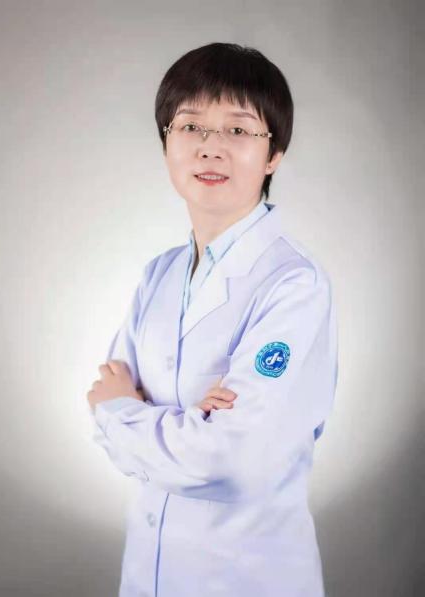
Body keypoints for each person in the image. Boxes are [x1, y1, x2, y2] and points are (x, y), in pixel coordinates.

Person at [87, 42, 338, 597]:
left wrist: (128, 411)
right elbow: (104, 397)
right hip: (148, 574)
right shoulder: (159, 274)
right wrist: (184, 421)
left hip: (248, 577)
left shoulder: (293, 285)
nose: (210, 148)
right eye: (190, 126)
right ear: (166, 143)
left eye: (238, 130)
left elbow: (231, 459)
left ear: (274, 155)